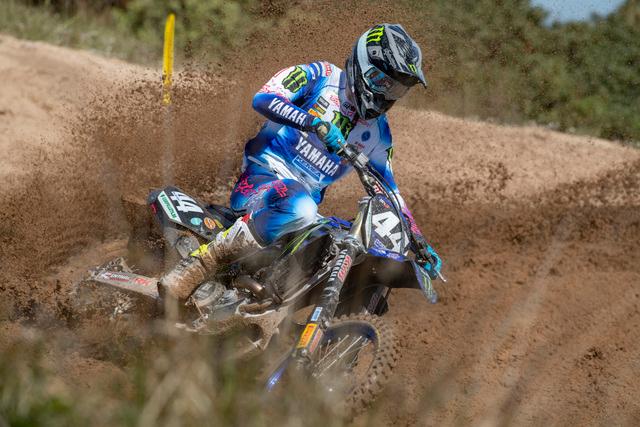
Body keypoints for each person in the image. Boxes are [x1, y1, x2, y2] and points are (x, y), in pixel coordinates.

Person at [160, 23, 442, 301]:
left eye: (396, 89)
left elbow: (388, 190)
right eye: (383, 82)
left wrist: (418, 242)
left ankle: (271, 309)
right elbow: (264, 98)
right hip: (263, 180)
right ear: (364, 65)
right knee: (301, 206)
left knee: (342, 240)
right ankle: (201, 263)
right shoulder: (321, 76)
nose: (387, 94)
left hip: (304, 211)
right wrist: (313, 123)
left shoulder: (379, 134)